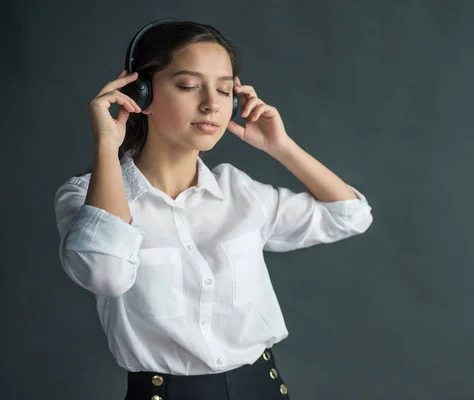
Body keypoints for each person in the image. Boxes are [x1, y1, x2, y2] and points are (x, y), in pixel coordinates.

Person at [54, 19, 373, 400]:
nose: (211, 104)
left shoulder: (237, 191)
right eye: (188, 86)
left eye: (224, 91)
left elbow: (351, 216)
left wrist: (281, 147)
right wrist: (106, 145)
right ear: (141, 94)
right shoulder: (85, 196)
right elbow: (105, 275)